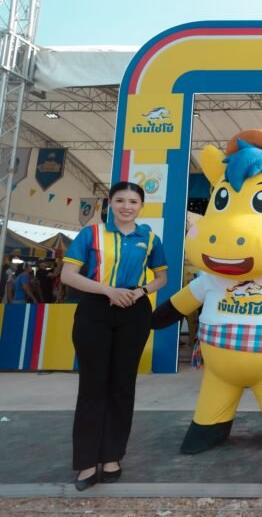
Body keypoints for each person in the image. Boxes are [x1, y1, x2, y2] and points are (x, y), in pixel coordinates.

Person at [61, 181, 168, 491]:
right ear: (109, 203)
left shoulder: (149, 238)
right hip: (95, 309)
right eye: (120, 200)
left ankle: (111, 457)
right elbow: (68, 275)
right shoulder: (91, 234)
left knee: (123, 386)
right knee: (92, 386)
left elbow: (162, 277)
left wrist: (141, 291)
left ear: (141, 206)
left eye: (133, 201)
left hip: (134, 311)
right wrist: (108, 290)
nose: (126, 206)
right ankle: (85, 462)